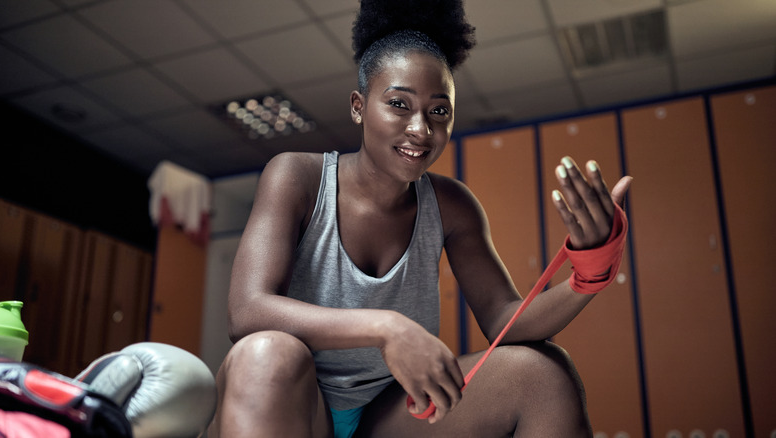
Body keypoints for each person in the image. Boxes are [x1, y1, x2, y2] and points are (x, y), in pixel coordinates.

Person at [208, 1, 633, 437]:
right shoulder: (297, 177)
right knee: (267, 351)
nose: (421, 129)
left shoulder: (451, 205)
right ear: (359, 106)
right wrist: (385, 327)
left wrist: (589, 272)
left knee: (544, 373)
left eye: (438, 111)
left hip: (387, 413)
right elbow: (247, 310)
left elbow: (507, 322)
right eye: (398, 104)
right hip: (296, 397)